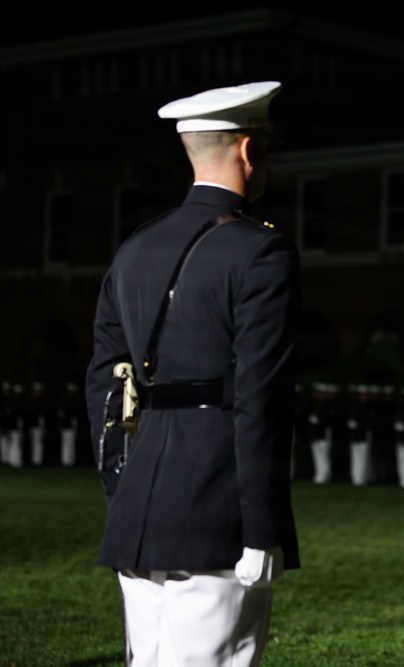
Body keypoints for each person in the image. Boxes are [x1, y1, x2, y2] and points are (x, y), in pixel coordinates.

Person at [84, 81, 300, 666]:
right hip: (215, 506)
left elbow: (104, 385)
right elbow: (260, 396)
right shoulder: (260, 252)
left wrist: (121, 490)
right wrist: (261, 526)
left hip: (139, 508)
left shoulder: (136, 247)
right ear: (248, 151)